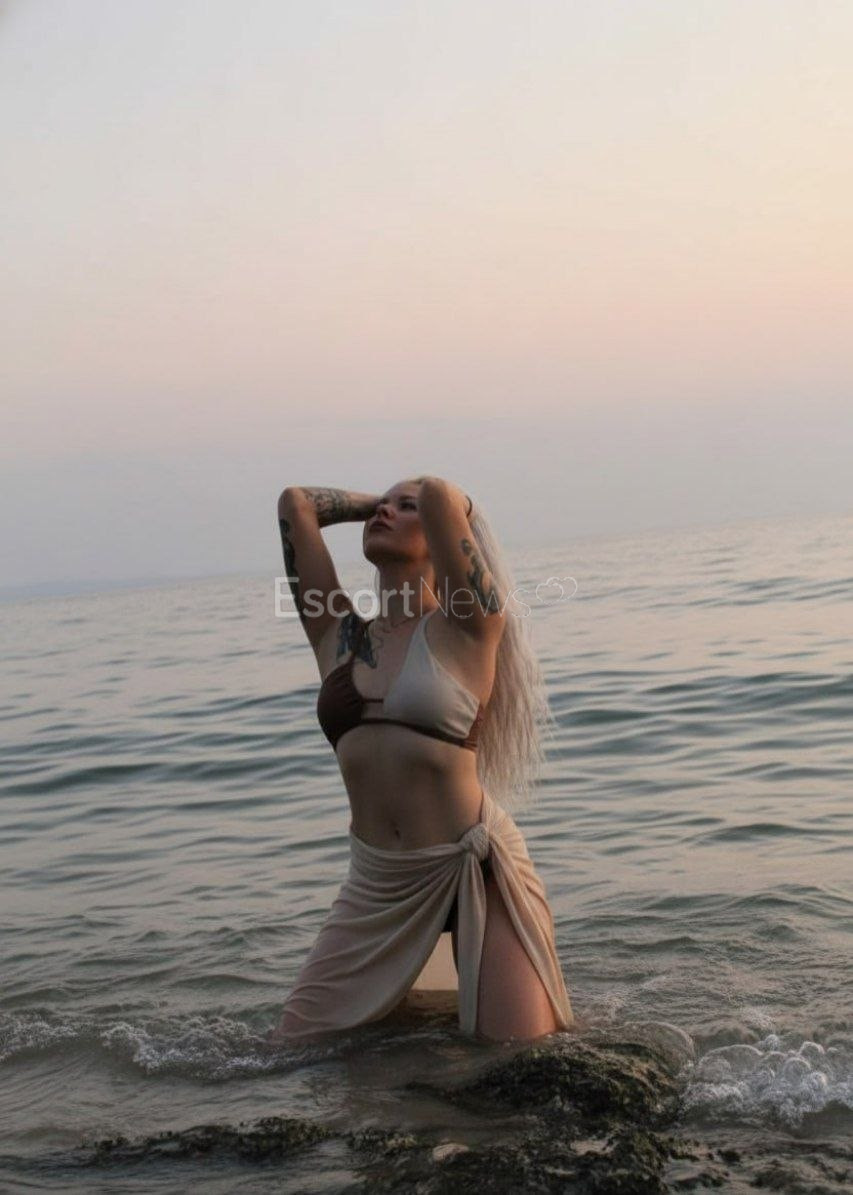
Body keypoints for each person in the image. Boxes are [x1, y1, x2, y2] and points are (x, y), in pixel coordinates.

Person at [268, 475, 574, 1043]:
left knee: (521, 1062)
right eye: (380, 506)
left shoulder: (470, 624)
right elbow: (297, 504)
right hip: (378, 884)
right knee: (292, 1051)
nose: (383, 513)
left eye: (404, 507)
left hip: (476, 868)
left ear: (440, 531)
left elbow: (439, 493)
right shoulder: (337, 634)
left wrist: (431, 505)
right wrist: (380, 506)